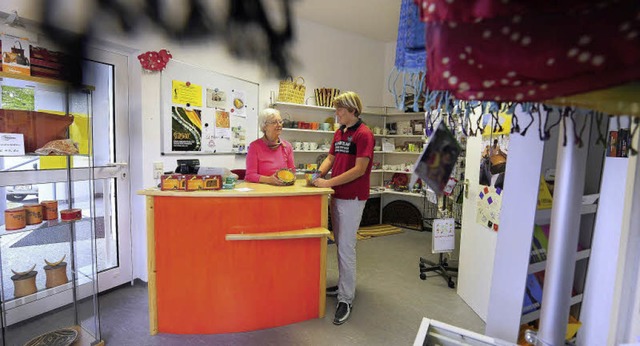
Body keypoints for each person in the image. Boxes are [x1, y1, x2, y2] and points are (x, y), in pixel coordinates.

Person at [313, 91, 374, 325]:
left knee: (346, 248)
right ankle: (343, 285)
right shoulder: (340, 132)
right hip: (337, 195)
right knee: (340, 245)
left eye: (339, 110)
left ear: (352, 111)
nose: (336, 113)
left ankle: (346, 298)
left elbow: (359, 169)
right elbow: (330, 157)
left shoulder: (364, 134)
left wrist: (327, 182)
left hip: (352, 198)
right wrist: (318, 174)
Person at [245, 108, 295, 185]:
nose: (279, 125)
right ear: (264, 126)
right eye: (274, 122)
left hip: (282, 189)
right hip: (263, 191)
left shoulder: (287, 146)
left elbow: (292, 171)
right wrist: (269, 180)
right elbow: (250, 176)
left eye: (280, 121)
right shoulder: (254, 146)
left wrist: (291, 177)